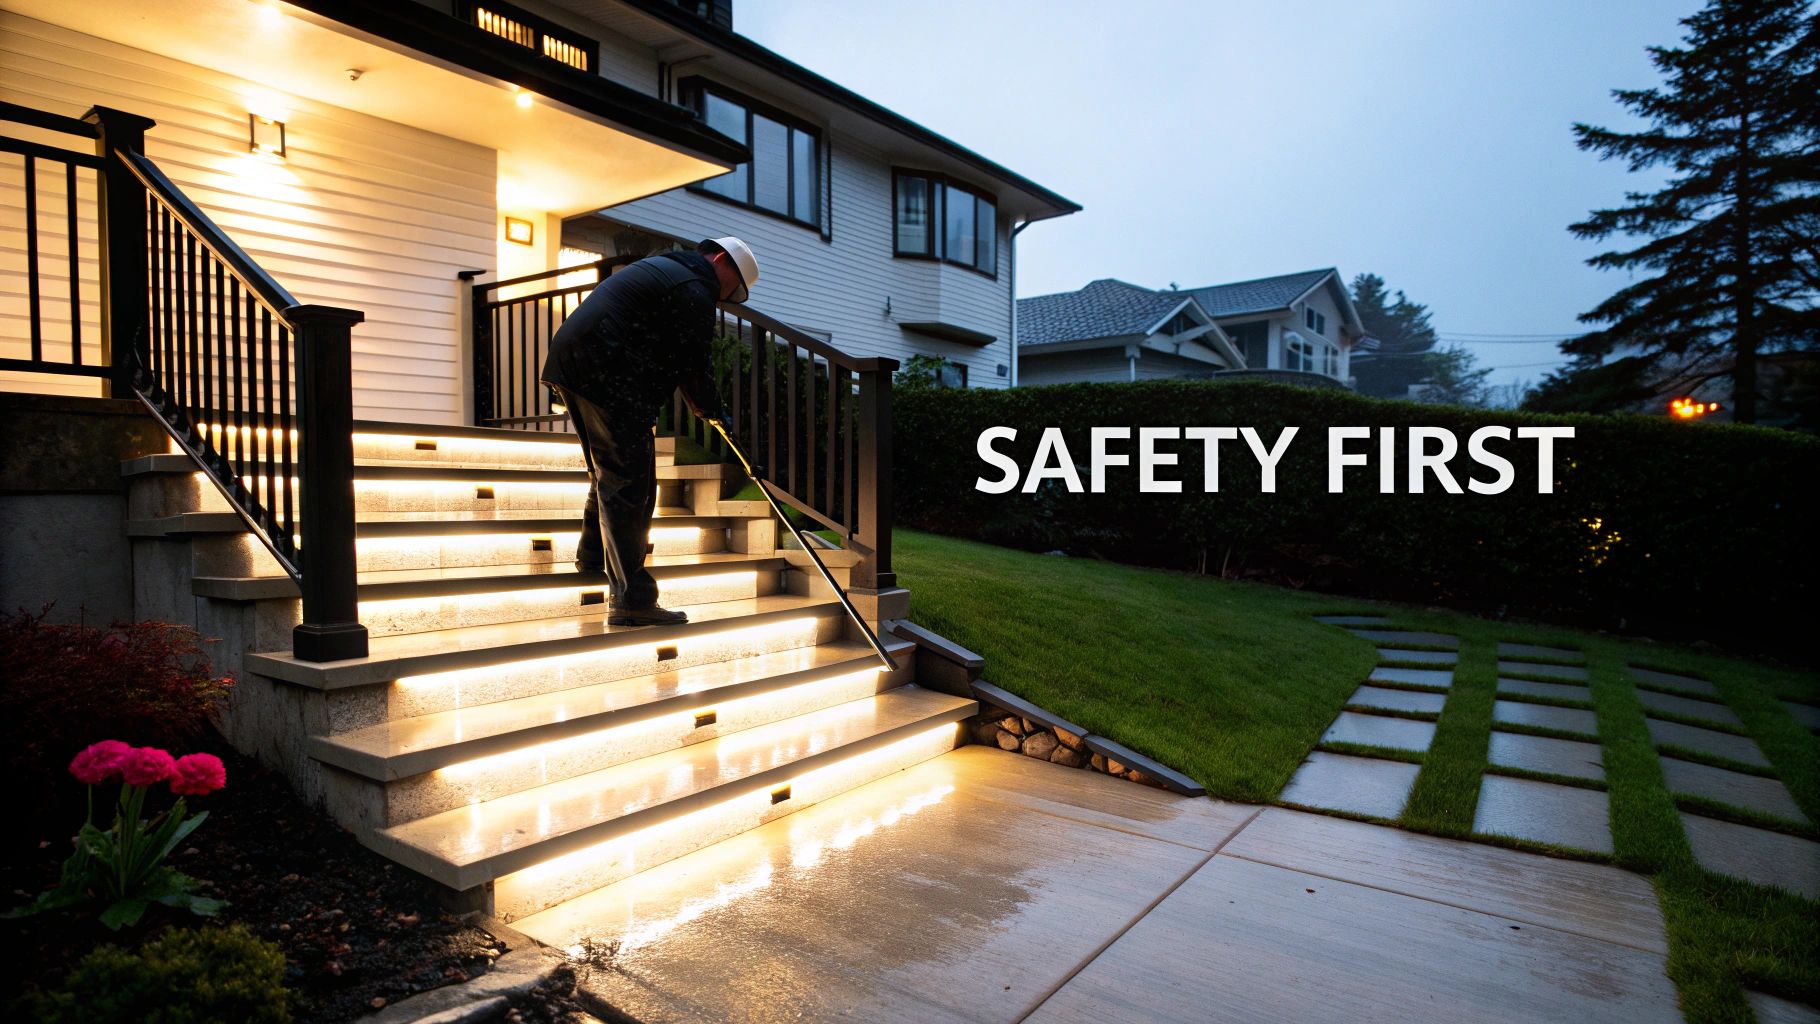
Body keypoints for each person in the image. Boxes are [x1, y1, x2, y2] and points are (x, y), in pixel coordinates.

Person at [539, 237, 758, 626]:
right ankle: (632, 600)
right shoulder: (695, 285)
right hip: (607, 371)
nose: (726, 297)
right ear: (720, 259)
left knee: (609, 473)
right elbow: (693, 361)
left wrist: (697, 404)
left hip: (576, 362)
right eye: (732, 287)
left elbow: (670, 351)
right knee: (632, 485)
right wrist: (712, 410)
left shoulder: (668, 270)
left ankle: (592, 560)